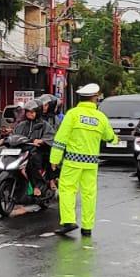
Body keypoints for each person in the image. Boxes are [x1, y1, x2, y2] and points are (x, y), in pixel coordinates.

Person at [48, 82, 116, 236]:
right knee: (89, 194)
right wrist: (114, 139)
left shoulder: (73, 114)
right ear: (95, 99)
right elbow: (109, 137)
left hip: (72, 161)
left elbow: (61, 138)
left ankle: (69, 221)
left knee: (67, 190)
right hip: (91, 163)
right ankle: (87, 227)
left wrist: (54, 159)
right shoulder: (101, 117)